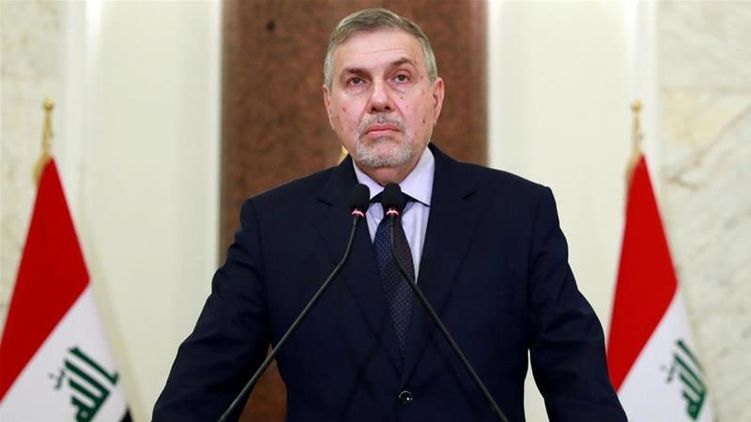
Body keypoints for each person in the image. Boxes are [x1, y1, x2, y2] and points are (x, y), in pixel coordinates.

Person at [153, 8, 626, 421]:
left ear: (435, 97)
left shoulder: (518, 214)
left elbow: (578, 385)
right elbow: (201, 391)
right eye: (356, 81)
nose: (379, 99)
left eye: (400, 77)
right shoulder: (274, 227)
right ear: (330, 106)